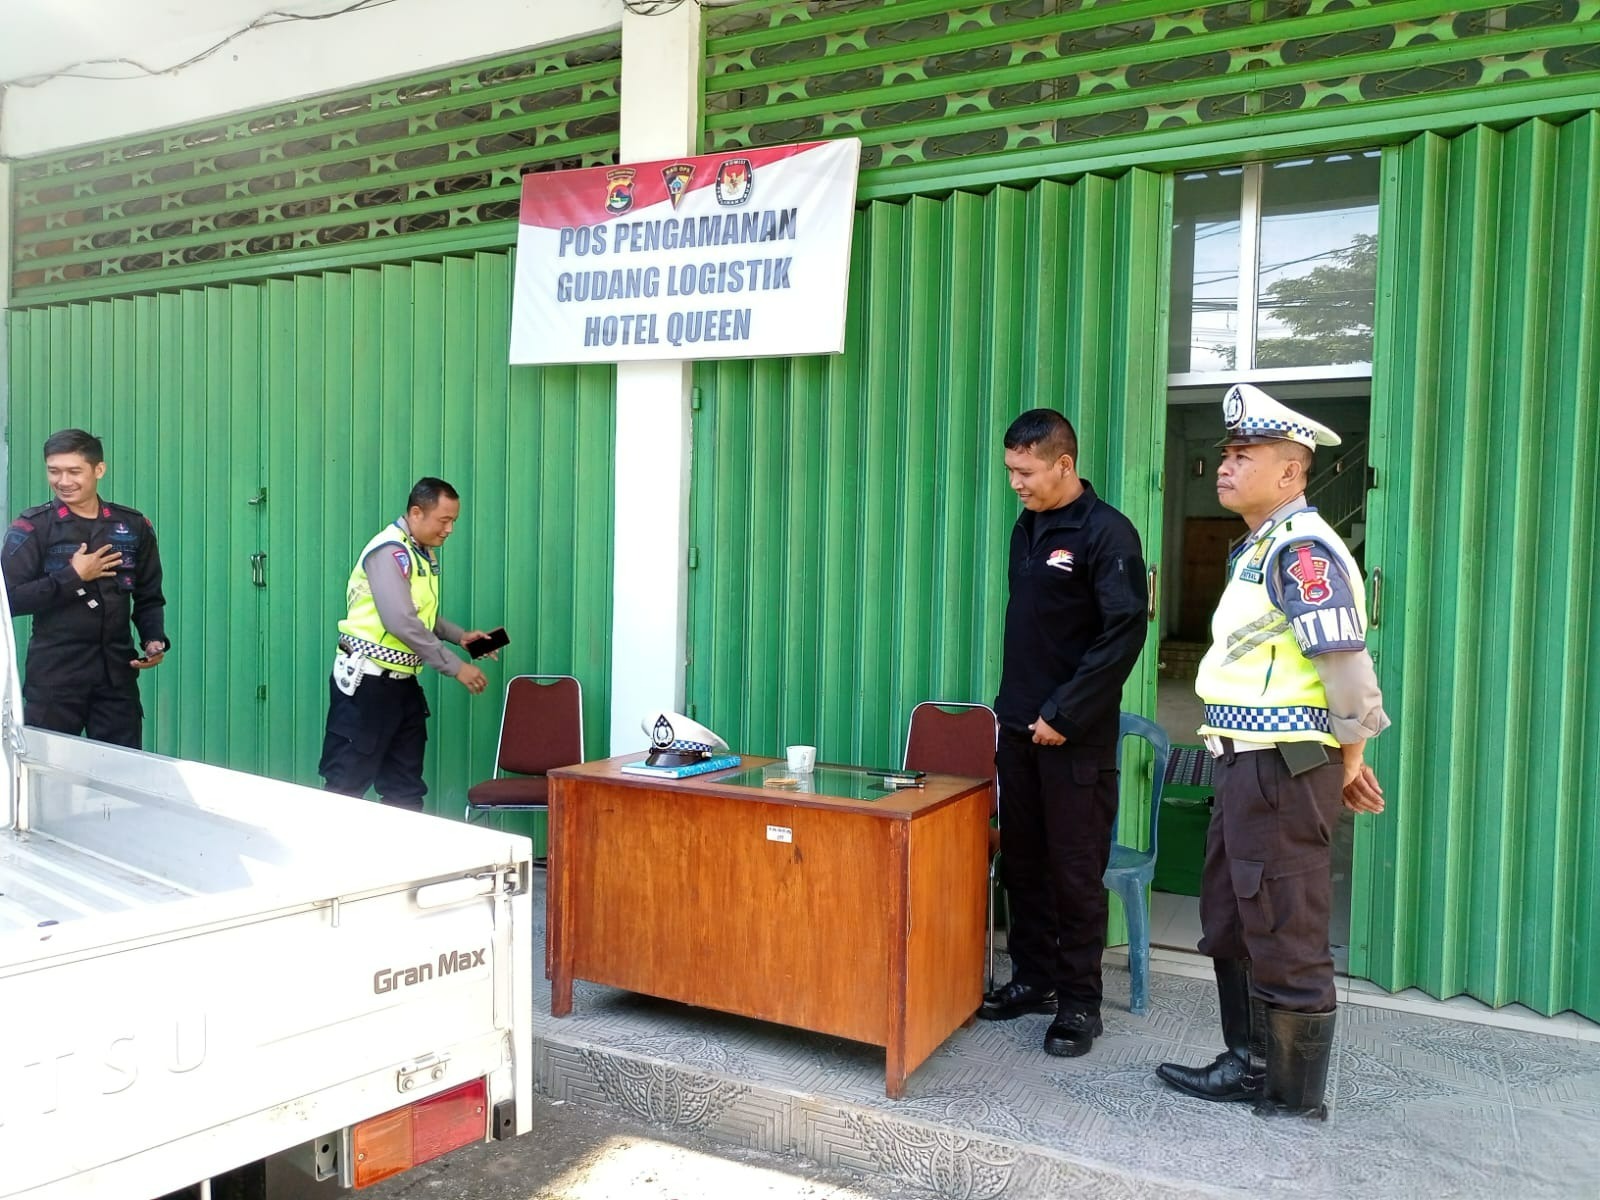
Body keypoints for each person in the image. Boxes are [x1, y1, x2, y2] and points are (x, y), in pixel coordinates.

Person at [1155, 383, 1388, 1121]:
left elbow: (1344, 662)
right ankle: (1249, 1062)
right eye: (1225, 454)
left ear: (1290, 471)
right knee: (1233, 918)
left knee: (1286, 925)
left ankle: (1290, 1096)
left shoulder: (1302, 550)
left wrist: (1351, 756)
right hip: (1244, 764)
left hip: (1283, 766)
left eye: (1242, 455)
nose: (1224, 466)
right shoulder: (1260, 547)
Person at [979, 408, 1148, 1058]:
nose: (1015, 483)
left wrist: (1065, 713)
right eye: (1010, 471)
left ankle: (1080, 1004)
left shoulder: (1107, 533)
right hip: (1019, 728)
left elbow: (1122, 633)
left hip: (1075, 739)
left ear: (1064, 464)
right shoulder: (1027, 526)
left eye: (1025, 471)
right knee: (1024, 864)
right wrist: (1018, 714)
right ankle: (1034, 979)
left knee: (1075, 873)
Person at [318, 477, 498, 812]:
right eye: (444, 520)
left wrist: (461, 637)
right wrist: (455, 667)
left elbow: (419, 615)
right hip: (366, 684)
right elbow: (399, 620)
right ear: (416, 513)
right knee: (346, 787)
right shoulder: (390, 551)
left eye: (453, 521)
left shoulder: (418, 553)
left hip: (401, 686)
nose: (449, 529)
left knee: (405, 789)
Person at [2, 429, 168, 748]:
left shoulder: (132, 526)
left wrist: (153, 639)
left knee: (121, 771)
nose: (63, 481)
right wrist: (73, 575)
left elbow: (148, 596)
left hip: (116, 680)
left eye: (74, 471)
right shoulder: (33, 527)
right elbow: (8, 600)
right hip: (55, 681)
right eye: (54, 471)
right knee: (49, 772)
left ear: (98, 469)